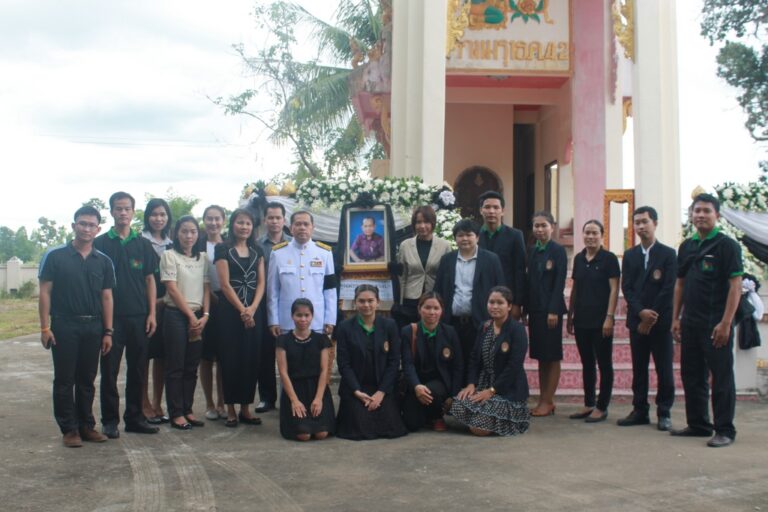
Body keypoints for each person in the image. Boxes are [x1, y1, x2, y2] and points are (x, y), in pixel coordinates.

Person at [38, 205, 115, 447]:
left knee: (87, 379)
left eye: (91, 225)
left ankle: (86, 426)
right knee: (64, 379)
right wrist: (44, 327)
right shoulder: (55, 256)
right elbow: (45, 292)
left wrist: (108, 331)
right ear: (73, 226)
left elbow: (107, 297)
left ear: (98, 229)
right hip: (64, 325)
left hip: (93, 327)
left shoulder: (103, 261)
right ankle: (69, 429)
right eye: (82, 223)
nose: (86, 228)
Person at [671, 193, 743, 448]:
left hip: (716, 324)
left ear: (717, 215)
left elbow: (736, 287)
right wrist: (676, 318)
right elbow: (679, 283)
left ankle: (725, 429)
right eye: (696, 211)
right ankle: (699, 424)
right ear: (691, 215)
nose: (700, 215)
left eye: (706, 211)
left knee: (721, 378)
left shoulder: (727, 246)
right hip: (690, 322)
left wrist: (726, 323)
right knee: (692, 374)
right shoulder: (687, 246)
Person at [94, 191, 159, 438]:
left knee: (138, 370)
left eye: (127, 209)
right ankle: (109, 420)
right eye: (118, 208)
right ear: (111, 212)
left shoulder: (143, 244)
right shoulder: (100, 244)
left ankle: (135, 418)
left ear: (133, 212)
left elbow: (150, 280)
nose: (123, 213)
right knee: (109, 370)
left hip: (139, 317)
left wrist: (152, 313)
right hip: (110, 320)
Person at [617, 206, 677, 431]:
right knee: (639, 368)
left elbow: (668, 289)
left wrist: (650, 317)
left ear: (655, 223)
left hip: (660, 324)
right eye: (637, 222)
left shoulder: (668, 254)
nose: (641, 226)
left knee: (664, 369)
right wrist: (640, 312)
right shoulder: (630, 255)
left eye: (645, 221)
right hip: (637, 322)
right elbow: (628, 287)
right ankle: (640, 410)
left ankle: (664, 411)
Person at [450, 286, 531, 436]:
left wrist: (492, 390)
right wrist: (471, 383)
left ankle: (489, 419)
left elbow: (514, 366)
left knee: (479, 430)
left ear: (509, 306)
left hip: (507, 390)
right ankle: (481, 416)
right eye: (491, 302)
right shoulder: (484, 326)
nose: (494, 306)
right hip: (483, 384)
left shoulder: (517, 330)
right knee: (456, 404)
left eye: (500, 303)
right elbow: (474, 358)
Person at [434, 218, 504, 383]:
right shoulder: (447, 260)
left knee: (479, 363)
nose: (464, 239)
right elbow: (438, 291)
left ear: (477, 237)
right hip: (452, 323)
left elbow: (501, 291)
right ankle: (455, 400)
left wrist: (496, 320)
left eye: (469, 235)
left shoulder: (491, 259)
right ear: (455, 238)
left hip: (480, 322)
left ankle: (476, 402)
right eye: (460, 235)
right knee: (453, 363)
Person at [335, 285, 407, 440]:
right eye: (361, 301)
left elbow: (394, 362)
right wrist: (356, 391)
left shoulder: (389, 326)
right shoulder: (344, 327)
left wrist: (381, 392)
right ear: (355, 303)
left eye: (370, 300)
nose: (366, 305)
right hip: (357, 387)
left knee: (391, 427)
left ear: (378, 302)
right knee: (360, 428)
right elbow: (344, 363)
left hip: (381, 386)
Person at [215, 208, 265, 428]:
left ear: (252, 227)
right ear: (232, 224)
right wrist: (242, 310)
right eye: (240, 222)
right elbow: (225, 284)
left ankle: (246, 407)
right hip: (229, 313)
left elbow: (262, 282)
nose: (244, 227)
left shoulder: (257, 250)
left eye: (248, 223)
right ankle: (231, 409)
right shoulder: (222, 249)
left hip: (254, 313)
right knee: (230, 360)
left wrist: (252, 308)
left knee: (250, 360)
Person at [567, 220, 620, 423]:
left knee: (604, 364)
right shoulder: (579, 259)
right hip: (581, 320)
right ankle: (589, 403)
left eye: (594, 233)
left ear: (602, 235)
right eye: (587, 232)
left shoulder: (609, 259)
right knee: (587, 363)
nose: (590, 236)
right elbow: (575, 288)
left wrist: (609, 317)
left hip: (601, 321)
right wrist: (570, 316)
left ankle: (602, 406)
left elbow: (614, 289)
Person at [160, 216, 210, 430]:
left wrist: (205, 315)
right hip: (176, 317)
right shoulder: (169, 256)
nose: (189, 236)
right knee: (175, 367)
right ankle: (176, 412)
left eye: (193, 232)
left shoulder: (204, 258)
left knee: (191, 367)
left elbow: (206, 287)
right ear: (176, 234)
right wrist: (191, 316)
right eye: (184, 231)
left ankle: (188, 409)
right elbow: (171, 288)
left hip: (199, 317)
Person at [524, 211, 567, 417]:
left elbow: (559, 283)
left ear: (552, 227)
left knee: (552, 355)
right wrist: (525, 308)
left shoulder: (558, 251)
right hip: (535, 310)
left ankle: (548, 400)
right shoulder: (532, 250)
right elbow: (529, 281)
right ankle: (543, 398)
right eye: (536, 226)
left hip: (551, 312)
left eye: (544, 226)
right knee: (541, 356)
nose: (540, 230)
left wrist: (553, 310)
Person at [400, 292, 463, 432]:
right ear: (419, 309)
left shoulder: (450, 332)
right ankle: (426, 416)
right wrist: (416, 386)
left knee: (432, 391)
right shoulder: (408, 331)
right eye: (427, 308)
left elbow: (458, 366)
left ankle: (437, 416)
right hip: (416, 383)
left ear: (442, 311)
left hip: (440, 383)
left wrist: (453, 396)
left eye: (436, 308)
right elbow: (407, 364)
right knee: (412, 424)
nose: (432, 312)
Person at [267, 210, 337, 336]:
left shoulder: (324, 253)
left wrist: (330, 319)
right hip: (287, 321)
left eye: (306, 224)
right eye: (298, 224)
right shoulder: (278, 253)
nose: (302, 228)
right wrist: (273, 321)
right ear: (290, 228)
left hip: (316, 321)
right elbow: (273, 291)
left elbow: (330, 289)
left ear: (312, 228)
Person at [276, 298, 335, 441]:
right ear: (292, 316)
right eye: (299, 315)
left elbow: (324, 370)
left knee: (321, 434)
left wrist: (319, 399)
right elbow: (283, 372)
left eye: (307, 315)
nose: (303, 319)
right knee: (304, 435)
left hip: (317, 389)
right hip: (295, 389)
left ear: (312, 316)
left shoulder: (321, 340)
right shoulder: (283, 340)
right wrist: (294, 401)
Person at [255, 201, 292, 413]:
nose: (275, 221)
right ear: (264, 220)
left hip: (288, 305)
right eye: (271, 218)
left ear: (284, 220)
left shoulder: (292, 243)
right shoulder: (257, 245)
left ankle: (290, 394)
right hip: (263, 304)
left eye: (278, 218)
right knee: (265, 353)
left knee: (290, 351)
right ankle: (267, 397)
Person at [140, 198, 173, 425]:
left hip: (168, 306)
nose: (158, 219)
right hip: (144, 307)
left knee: (162, 357)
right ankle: (143, 404)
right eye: (154, 214)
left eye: (162, 214)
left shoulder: (173, 244)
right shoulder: (139, 241)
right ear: (147, 217)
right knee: (143, 357)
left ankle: (157, 402)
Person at [393, 205, 452, 326]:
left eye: (426, 222)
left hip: (434, 299)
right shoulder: (406, 245)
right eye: (418, 222)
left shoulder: (444, 245)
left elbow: (448, 276)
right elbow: (402, 276)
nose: (422, 226)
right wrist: (400, 301)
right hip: (410, 299)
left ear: (433, 223)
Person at [197, 205, 227, 421]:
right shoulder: (196, 244)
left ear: (223, 221)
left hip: (226, 303)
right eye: (209, 218)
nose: (213, 223)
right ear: (204, 220)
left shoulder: (230, 244)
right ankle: (209, 403)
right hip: (202, 303)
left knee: (224, 358)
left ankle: (222, 402)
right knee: (206, 358)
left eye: (217, 219)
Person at [477, 190, 527, 320]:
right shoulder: (474, 236)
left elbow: (520, 270)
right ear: (480, 210)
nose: (491, 211)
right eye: (487, 207)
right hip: (480, 299)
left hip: (506, 300)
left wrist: (517, 303)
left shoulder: (515, 235)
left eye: (496, 207)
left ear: (502, 211)